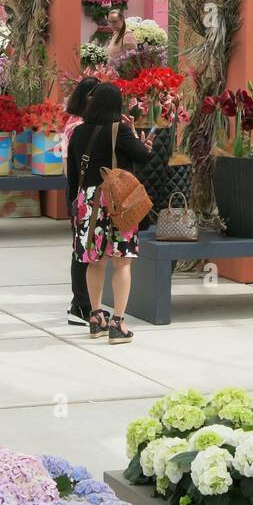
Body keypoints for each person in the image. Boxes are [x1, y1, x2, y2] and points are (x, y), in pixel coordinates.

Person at [65, 82, 154, 344]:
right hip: (117, 202)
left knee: (94, 261)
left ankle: (96, 318)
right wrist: (139, 140)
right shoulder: (120, 130)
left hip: (88, 202)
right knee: (122, 261)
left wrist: (73, 207)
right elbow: (143, 156)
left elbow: (73, 176)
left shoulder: (79, 132)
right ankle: (118, 323)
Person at [62, 76, 99, 326]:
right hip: (81, 195)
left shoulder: (77, 123)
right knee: (81, 251)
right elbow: (69, 167)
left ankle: (82, 304)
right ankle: (80, 305)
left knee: (83, 249)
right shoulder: (77, 126)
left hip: (80, 193)